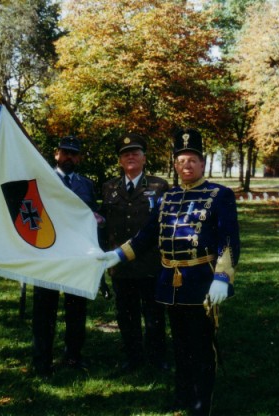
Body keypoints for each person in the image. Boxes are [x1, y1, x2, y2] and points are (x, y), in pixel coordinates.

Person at [99, 128, 240, 416]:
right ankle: (183, 395)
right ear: (175, 165)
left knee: (201, 346)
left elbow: (229, 240)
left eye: (191, 160)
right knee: (180, 345)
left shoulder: (220, 195)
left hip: (202, 282)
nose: (186, 165)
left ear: (202, 164)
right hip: (170, 286)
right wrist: (115, 256)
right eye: (180, 161)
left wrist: (222, 278)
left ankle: (201, 404)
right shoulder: (167, 198)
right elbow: (144, 237)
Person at [31, 135, 102, 376]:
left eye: (73, 154)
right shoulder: (41, 180)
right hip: (47, 256)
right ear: (56, 154)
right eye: (65, 152)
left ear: (79, 157)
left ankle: (73, 357)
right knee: (44, 312)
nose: (69, 157)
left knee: (76, 311)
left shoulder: (86, 185)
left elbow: (91, 213)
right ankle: (42, 361)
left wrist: (97, 219)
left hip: (77, 257)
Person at [99, 133, 169, 372]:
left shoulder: (159, 186)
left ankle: (157, 358)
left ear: (144, 158)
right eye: (125, 154)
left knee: (154, 315)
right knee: (126, 315)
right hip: (121, 265)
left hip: (151, 263)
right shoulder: (109, 187)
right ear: (120, 161)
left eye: (135, 153)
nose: (130, 156)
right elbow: (103, 222)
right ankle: (132, 357)